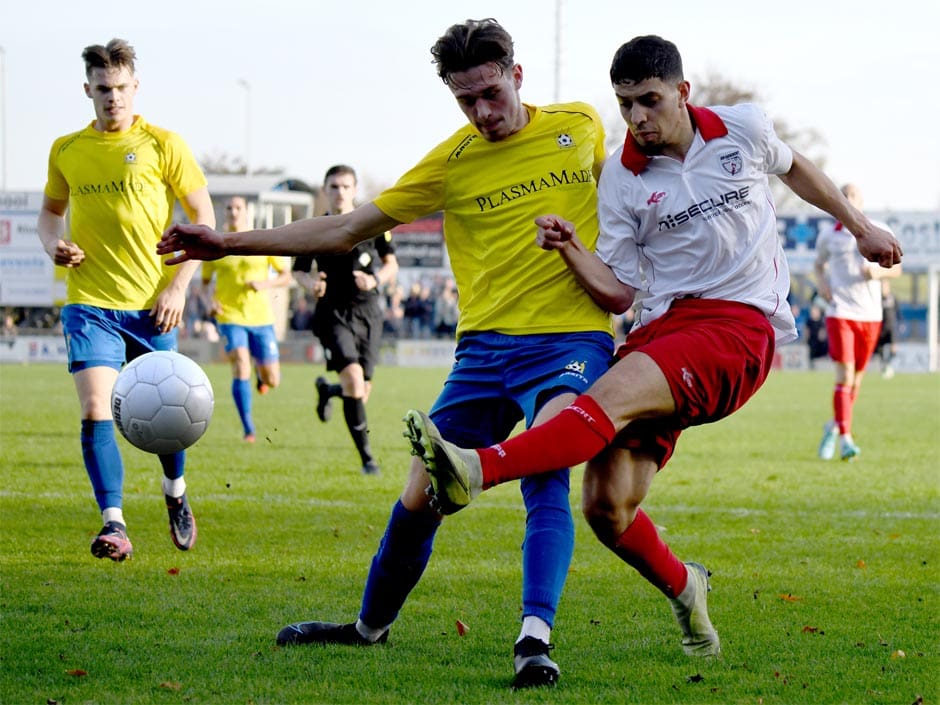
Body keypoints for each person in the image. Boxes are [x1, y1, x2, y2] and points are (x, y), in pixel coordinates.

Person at [399, 34, 903, 662]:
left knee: (603, 397)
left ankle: (476, 468)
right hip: (662, 332)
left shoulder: (741, 129)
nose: (637, 118)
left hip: (738, 326)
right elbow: (618, 295)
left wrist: (861, 227)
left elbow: (795, 166)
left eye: (649, 101)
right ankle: (686, 587)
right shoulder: (621, 179)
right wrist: (571, 250)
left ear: (682, 93)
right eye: (625, 105)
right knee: (606, 506)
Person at [159, 18, 614, 689]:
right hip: (484, 350)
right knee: (422, 492)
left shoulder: (582, 126)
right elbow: (344, 227)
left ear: (517, 76)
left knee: (547, 463)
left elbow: (638, 195)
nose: (482, 112)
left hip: (571, 339)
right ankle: (368, 628)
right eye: (466, 100)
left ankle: (533, 638)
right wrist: (226, 244)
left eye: (491, 93)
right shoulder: (451, 162)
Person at [37, 38, 215, 561]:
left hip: (152, 305)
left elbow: (202, 220)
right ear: (87, 89)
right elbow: (50, 215)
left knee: (170, 418)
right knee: (96, 409)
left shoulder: (164, 144)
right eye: (102, 89)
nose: (112, 97)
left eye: (120, 88)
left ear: (134, 87)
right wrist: (53, 244)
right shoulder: (66, 150)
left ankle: (175, 494)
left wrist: (178, 286)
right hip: (89, 302)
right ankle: (114, 524)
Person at [292, 165, 399, 476]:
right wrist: (310, 284)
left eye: (345, 186)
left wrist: (376, 279)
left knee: (361, 390)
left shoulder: (373, 223)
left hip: (369, 313)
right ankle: (368, 459)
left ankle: (328, 391)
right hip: (332, 313)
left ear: (355, 190)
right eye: (334, 186)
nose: (339, 192)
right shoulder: (314, 229)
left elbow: (392, 264)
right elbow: (298, 270)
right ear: (325, 191)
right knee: (353, 379)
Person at [814, 184, 901, 460]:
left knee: (857, 381)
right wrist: (822, 286)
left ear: (861, 202)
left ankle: (833, 427)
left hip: (870, 315)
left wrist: (877, 274)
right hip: (840, 312)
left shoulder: (879, 229)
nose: (849, 201)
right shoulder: (829, 235)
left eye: (854, 197)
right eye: (845, 196)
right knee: (846, 376)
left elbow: (897, 268)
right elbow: (817, 265)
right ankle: (846, 440)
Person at [201, 196, 292, 443]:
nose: (233, 212)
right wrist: (210, 302)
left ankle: (262, 377)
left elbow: (286, 276)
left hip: (261, 318)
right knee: (240, 362)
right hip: (229, 316)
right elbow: (205, 284)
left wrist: (266, 283)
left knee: (273, 380)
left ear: (246, 211)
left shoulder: (260, 241)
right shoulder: (215, 244)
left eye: (238, 207)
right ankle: (248, 429)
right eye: (229, 207)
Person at [876, 280, 900, 378]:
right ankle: (884, 364)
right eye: (882, 286)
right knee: (880, 349)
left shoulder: (893, 298)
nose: (883, 288)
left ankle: (888, 364)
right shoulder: (877, 298)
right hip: (881, 327)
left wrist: (901, 323)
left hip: (892, 327)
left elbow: (897, 311)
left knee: (894, 349)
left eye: (885, 286)